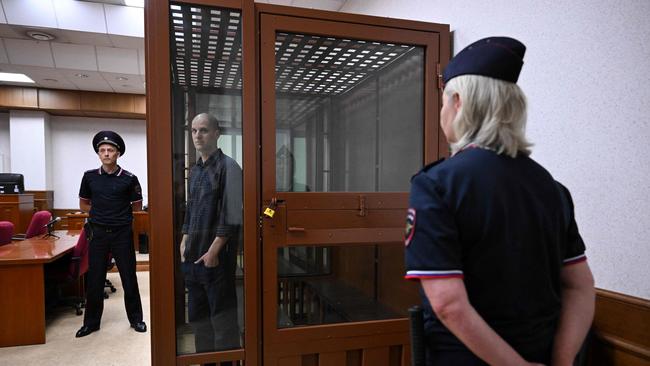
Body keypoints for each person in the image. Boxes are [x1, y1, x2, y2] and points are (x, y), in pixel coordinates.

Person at [404, 37, 595, 365]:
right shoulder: (552, 188)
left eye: (443, 101)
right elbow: (580, 287)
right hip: (544, 354)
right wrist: (562, 361)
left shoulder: (437, 185)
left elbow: (448, 304)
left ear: (459, 103)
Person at [180, 113, 242, 359]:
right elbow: (190, 208)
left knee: (223, 321)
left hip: (216, 259)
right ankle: (205, 362)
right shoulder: (195, 170)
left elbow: (231, 214)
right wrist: (184, 239)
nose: (197, 135)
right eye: (194, 131)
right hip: (193, 258)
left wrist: (214, 250)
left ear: (217, 134)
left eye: (203, 130)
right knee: (198, 319)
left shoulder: (229, 167)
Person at [76, 131, 147, 337]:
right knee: (95, 279)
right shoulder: (89, 177)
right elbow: (83, 204)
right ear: (98, 154)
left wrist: (116, 216)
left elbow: (136, 206)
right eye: (102, 150)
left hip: (122, 234)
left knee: (128, 277)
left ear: (118, 154)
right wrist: (100, 214)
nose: (106, 153)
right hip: (97, 234)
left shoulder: (129, 178)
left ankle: (136, 319)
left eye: (110, 150)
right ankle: (91, 323)